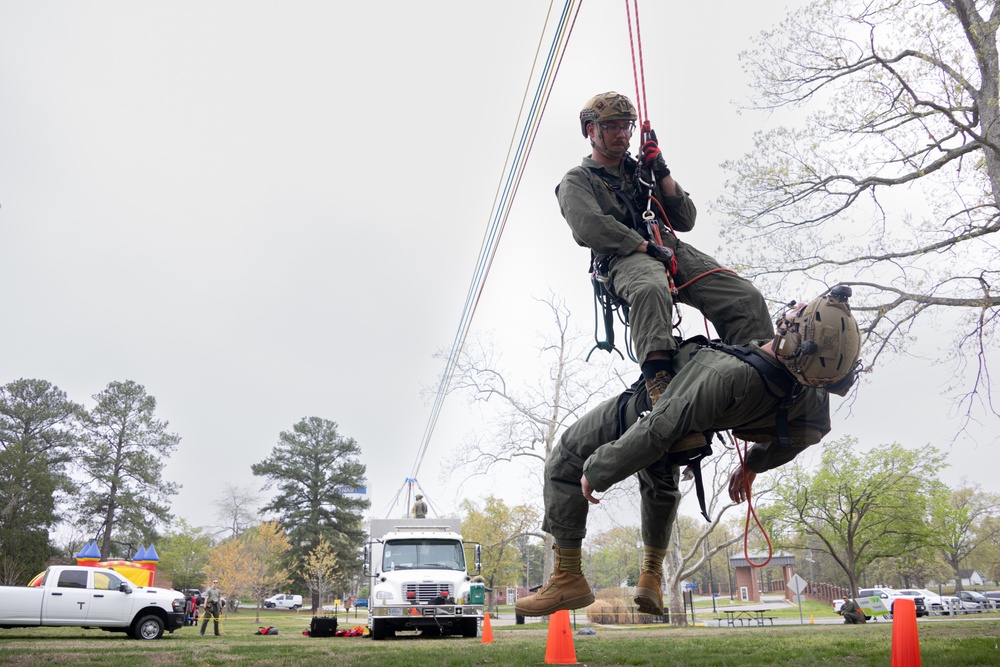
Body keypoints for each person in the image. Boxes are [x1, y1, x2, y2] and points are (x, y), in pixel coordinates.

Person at [515, 288, 862, 617]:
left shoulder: (725, 374)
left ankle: (568, 578)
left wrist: (598, 470)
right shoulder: (810, 396)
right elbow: (808, 434)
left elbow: (659, 427)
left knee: (566, 457)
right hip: (687, 435)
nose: (792, 310)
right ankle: (650, 576)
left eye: (797, 313)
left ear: (793, 336)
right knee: (660, 476)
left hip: (644, 414)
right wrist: (754, 463)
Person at [558, 91, 773, 405]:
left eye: (626, 127)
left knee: (743, 296)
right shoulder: (577, 180)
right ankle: (659, 383)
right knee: (649, 289)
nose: (621, 134)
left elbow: (685, 218)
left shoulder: (639, 171)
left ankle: (756, 374)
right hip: (624, 255)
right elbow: (590, 227)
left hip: (667, 245)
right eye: (611, 127)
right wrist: (643, 246)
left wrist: (660, 168)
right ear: (591, 130)